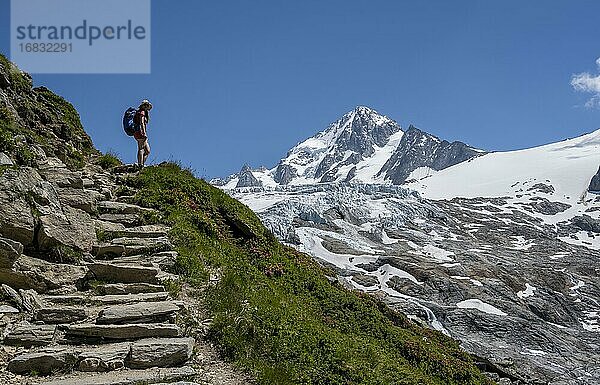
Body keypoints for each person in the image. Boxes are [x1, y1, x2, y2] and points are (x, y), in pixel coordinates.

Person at [133, 99, 152, 169]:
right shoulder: (142, 112)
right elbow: (142, 123)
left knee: (147, 150)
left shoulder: (140, 112)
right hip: (140, 132)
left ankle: (141, 164)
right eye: (146, 105)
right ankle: (140, 165)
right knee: (141, 148)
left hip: (137, 132)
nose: (147, 107)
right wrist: (144, 132)